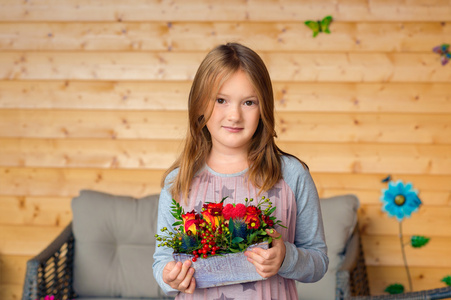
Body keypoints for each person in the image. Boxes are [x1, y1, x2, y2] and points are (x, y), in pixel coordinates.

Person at [152, 43, 328, 299]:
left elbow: (319, 261)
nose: (234, 115)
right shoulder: (178, 181)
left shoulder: (291, 174)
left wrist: (286, 257)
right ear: (200, 104)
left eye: (248, 102)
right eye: (221, 100)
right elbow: (162, 262)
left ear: (264, 107)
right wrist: (170, 277)